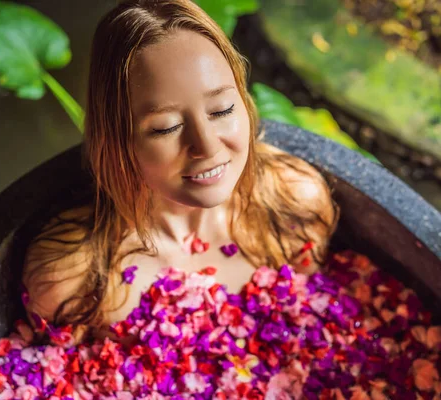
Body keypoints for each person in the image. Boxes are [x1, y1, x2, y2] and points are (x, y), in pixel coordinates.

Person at [22, 0, 339, 345]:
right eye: (165, 128)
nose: (207, 146)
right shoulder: (74, 281)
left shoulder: (295, 208)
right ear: (116, 140)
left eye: (222, 109)